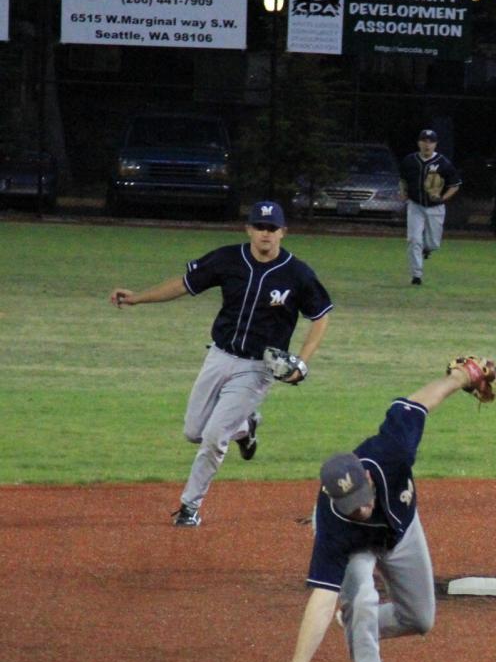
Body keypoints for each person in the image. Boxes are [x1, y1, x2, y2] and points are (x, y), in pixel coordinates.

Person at [275, 358, 495, 662]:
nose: (360, 508)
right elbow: (322, 597)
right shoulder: (334, 523)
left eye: (362, 496)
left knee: (420, 618)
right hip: (357, 548)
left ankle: (356, 626)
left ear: (366, 477)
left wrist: (459, 378)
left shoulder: (390, 451)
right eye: (350, 505)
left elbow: (414, 404)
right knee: (360, 600)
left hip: (402, 531)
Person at [109, 201, 333, 527]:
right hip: (218, 356)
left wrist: (303, 362)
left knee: (214, 437)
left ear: (283, 232)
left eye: (272, 228)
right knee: (193, 431)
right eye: (259, 227)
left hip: (258, 368)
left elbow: (321, 316)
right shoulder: (228, 258)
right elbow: (184, 284)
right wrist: (137, 298)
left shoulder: (297, 273)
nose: (265, 234)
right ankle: (246, 427)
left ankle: (189, 507)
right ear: (249, 230)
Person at [399, 128, 461, 286]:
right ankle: (416, 275)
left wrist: (442, 198)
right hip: (415, 205)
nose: (427, 145)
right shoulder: (409, 160)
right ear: (419, 143)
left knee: (433, 243)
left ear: (435, 144)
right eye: (424, 141)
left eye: (430, 142)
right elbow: (403, 179)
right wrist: (403, 191)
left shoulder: (443, 163)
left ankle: (426, 249)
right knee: (414, 239)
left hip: (435, 207)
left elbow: (455, 185)